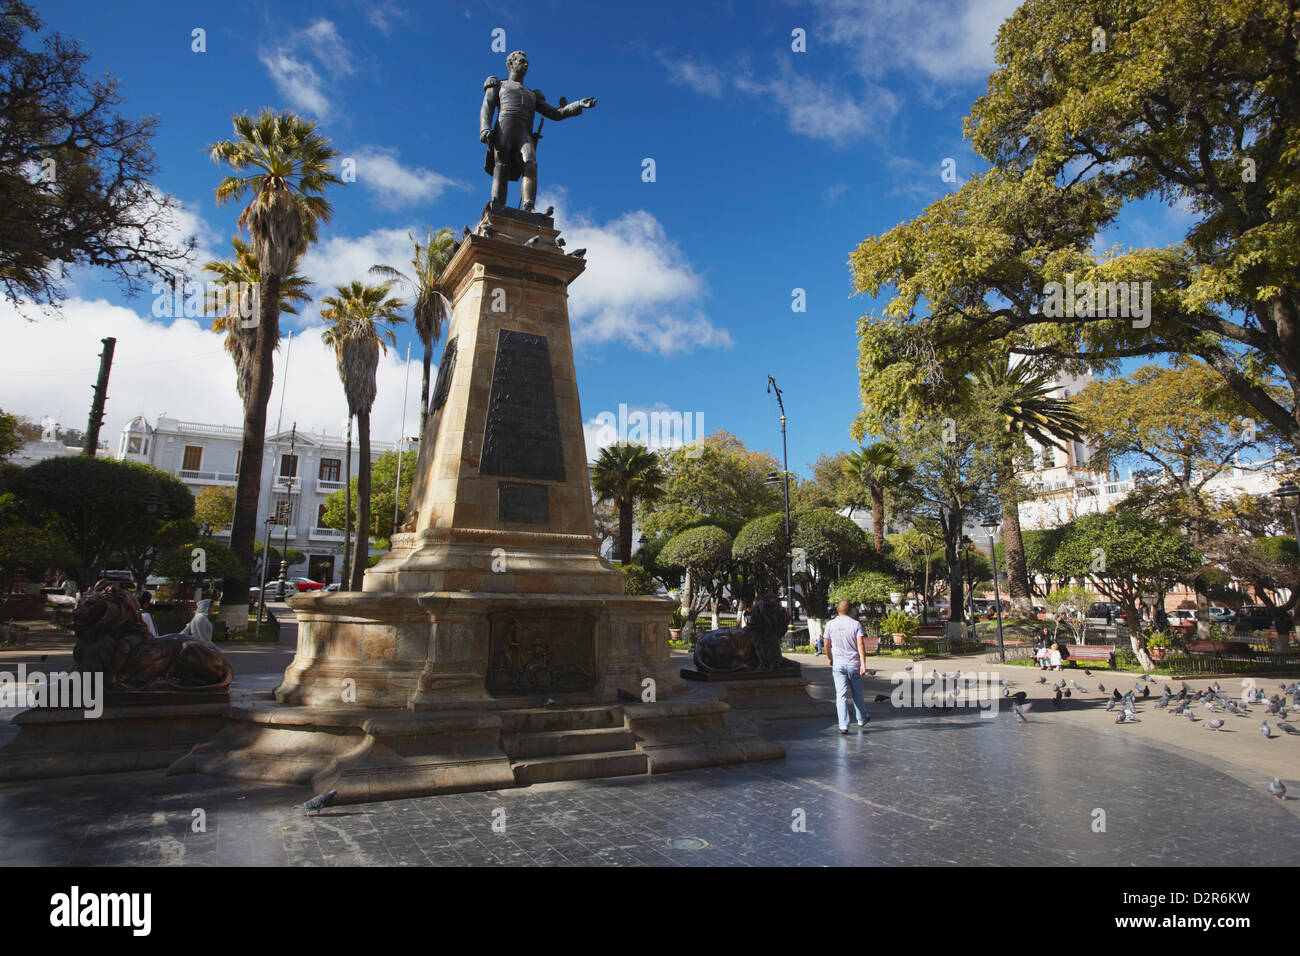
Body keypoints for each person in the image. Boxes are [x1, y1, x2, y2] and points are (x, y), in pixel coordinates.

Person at [823, 599, 870, 734]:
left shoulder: (830, 624)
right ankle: (861, 719)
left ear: (837, 610)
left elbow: (826, 644)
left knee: (841, 695)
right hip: (853, 664)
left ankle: (843, 725)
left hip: (838, 664)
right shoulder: (856, 624)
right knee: (857, 693)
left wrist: (829, 658)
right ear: (850, 611)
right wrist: (863, 664)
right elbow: (860, 644)